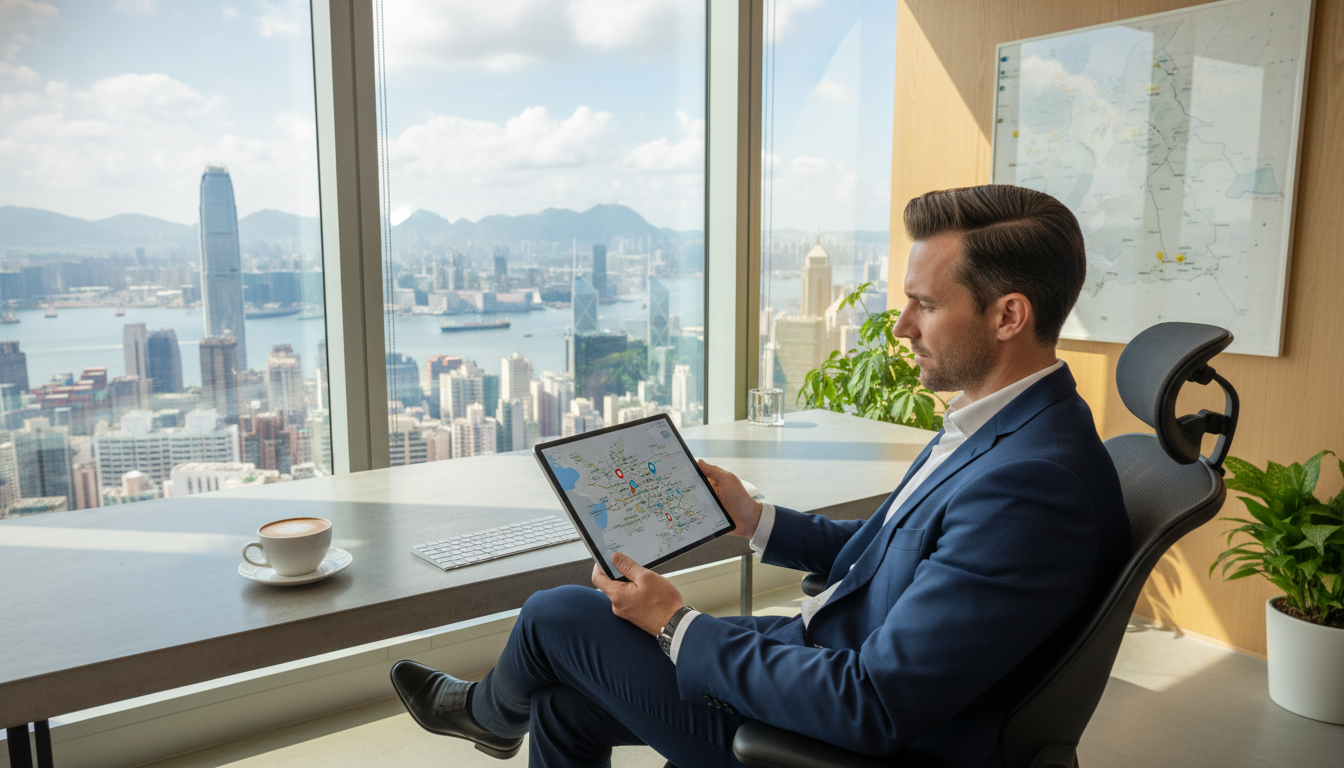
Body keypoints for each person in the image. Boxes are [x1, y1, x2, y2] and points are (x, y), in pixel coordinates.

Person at [389, 185, 1131, 768]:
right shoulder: (1006, 425)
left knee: (556, 614)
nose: (903, 325)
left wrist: (675, 624)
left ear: (1008, 316)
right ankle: (498, 716)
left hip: (839, 728)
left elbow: (875, 704)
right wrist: (754, 519)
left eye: (925, 304)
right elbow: (890, 554)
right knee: (561, 702)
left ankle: (487, 717)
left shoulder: (1033, 486)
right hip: (819, 655)